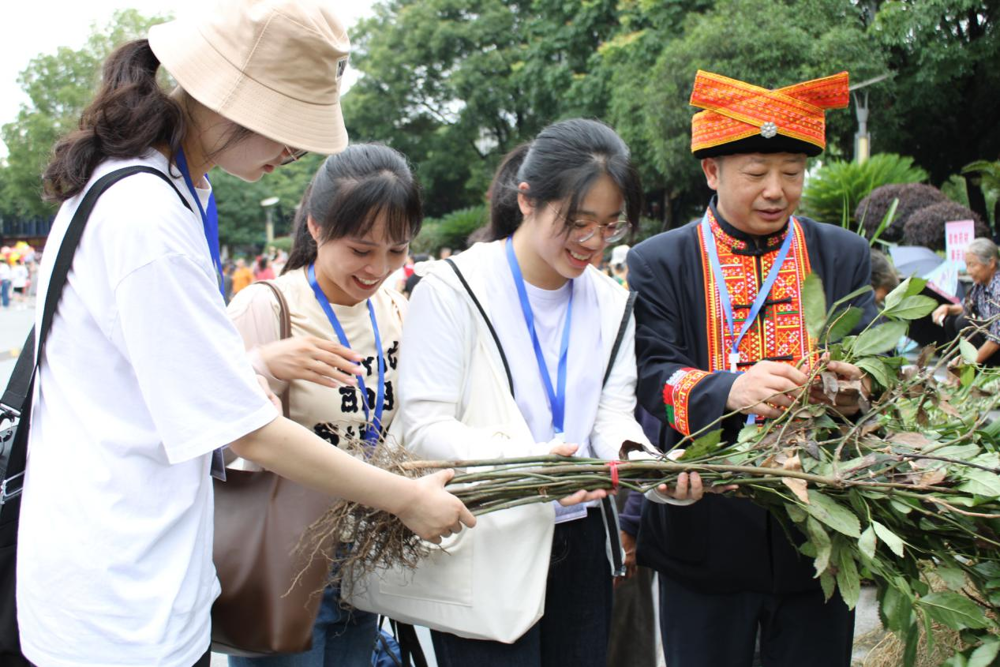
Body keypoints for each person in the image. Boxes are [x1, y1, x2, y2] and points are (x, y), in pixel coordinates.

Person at [16, 3, 474, 666]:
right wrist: (404, 496)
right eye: (287, 120)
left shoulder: (166, 190)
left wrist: (252, 359)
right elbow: (247, 427)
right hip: (118, 606)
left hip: (135, 570)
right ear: (231, 97)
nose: (295, 148)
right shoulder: (146, 214)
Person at [394, 118, 704, 667]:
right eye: (577, 222)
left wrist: (654, 470)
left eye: (610, 226)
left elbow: (611, 421)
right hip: (485, 533)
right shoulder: (453, 289)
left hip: (581, 540)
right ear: (527, 200)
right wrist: (533, 467)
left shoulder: (611, 302)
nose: (592, 242)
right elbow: (425, 426)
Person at [622, 70, 878, 667]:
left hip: (820, 533)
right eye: (757, 173)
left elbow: (877, 363)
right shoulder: (658, 261)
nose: (777, 190)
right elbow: (649, 376)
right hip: (702, 530)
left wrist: (856, 388)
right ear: (711, 172)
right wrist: (730, 388)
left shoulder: (843, 254)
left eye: (791, 172)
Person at [227, 144, 420, 666]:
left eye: (397, 250)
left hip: (365, 553)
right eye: (361, 250)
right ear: (316, 226)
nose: (378, 268)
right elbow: (212, 435)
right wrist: (263, 362)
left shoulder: (396, 308)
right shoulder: (267, 306)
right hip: (284, 560)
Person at [932, 237, 1000, 365]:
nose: (969, 271)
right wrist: (948, 308)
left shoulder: (998, 287)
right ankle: (961, 368)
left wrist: (968, 364)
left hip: (996, 343)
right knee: (951, 320)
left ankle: (971, 370)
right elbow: (967, 305)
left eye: (972, 265)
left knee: (963, 322)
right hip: (991, 340)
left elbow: (998, 337)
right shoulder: (981, 285)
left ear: (991, 263)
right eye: (967, 265)